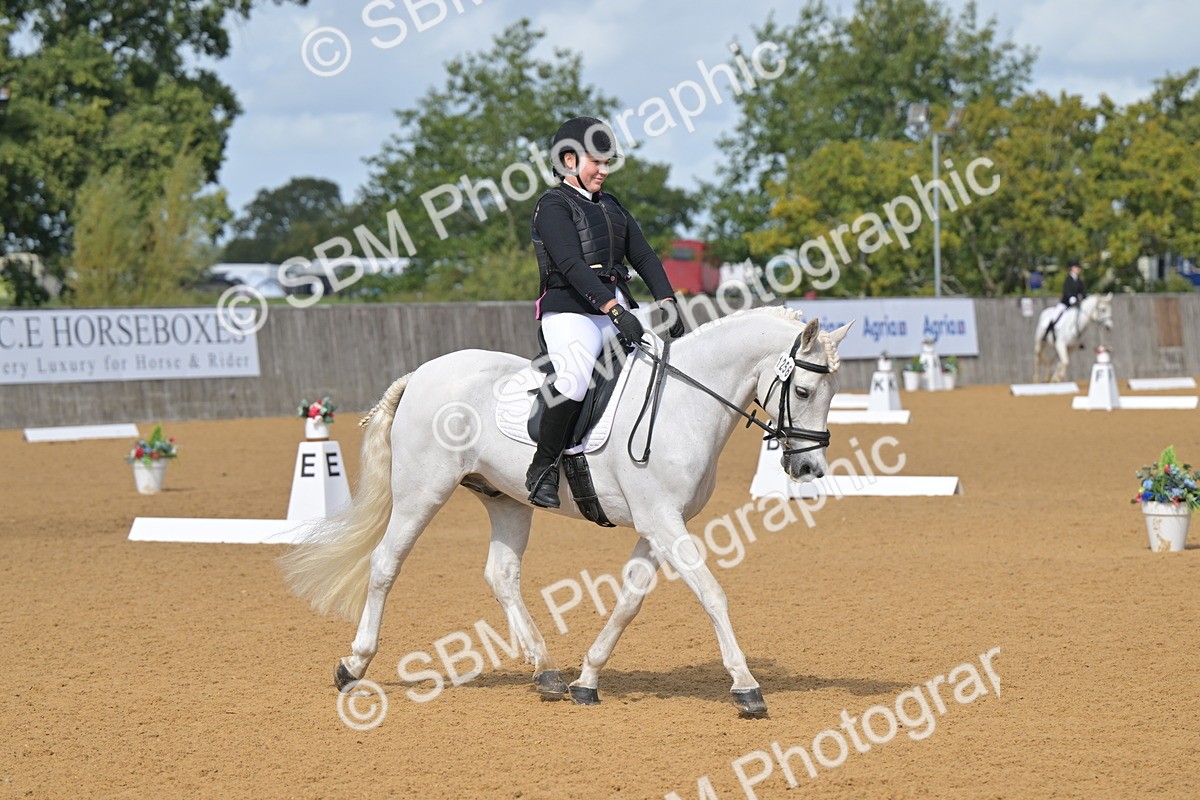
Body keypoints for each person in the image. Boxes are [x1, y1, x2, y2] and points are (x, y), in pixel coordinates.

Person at [525, 116, 686, 509]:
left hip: (615, 308)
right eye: (596, 161)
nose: (604, 170)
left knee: (657, 368)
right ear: (569, 160)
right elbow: (570, 264)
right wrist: (613, 309)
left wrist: (667, 300)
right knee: (576, 380)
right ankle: (542, 469)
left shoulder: (612, 206)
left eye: (607, 162)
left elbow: (644, 256)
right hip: (571, 313)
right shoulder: (552, 206)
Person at [1046, 260, 1086, 339]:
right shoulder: (1068, 280)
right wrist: (1071, 297)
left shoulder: (1080, 281)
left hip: (1076, 304)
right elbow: (1066, 290)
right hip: (1066, 303)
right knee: (1054, 316)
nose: (1078, 269)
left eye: (1078, 268)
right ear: (1072, 269)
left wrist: (1083, 297)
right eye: (1076, 267)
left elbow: (1083, 291)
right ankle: (1047, 334)